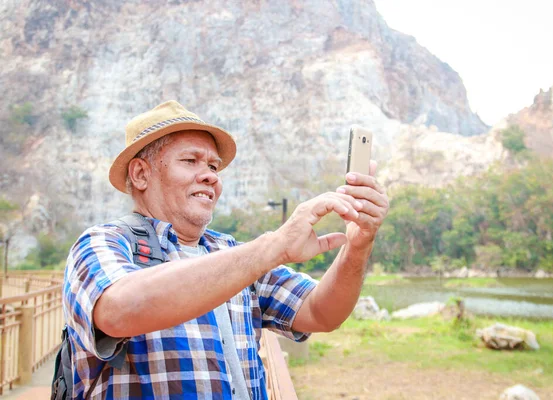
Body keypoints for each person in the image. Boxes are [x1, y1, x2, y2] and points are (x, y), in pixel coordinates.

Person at [63, 100, 389, 399]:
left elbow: (320, 313)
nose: (209, 177)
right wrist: (274, 246)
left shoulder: (231, 251)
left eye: (214, 167)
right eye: (190, 161)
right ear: (141, 173)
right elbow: (119, 311)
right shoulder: (103, 243)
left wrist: (358, 244)